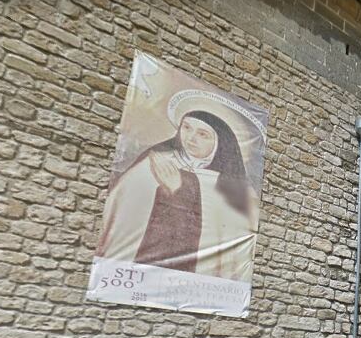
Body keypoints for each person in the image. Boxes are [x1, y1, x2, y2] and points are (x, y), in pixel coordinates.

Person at [97, 109, 258, 281]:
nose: (191, 138)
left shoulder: (235, 189)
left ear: (220, 143)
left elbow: (236, 248)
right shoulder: (154, 163)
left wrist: (180, 189)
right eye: (186, 128)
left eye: (203, 134)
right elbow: (120, 216)